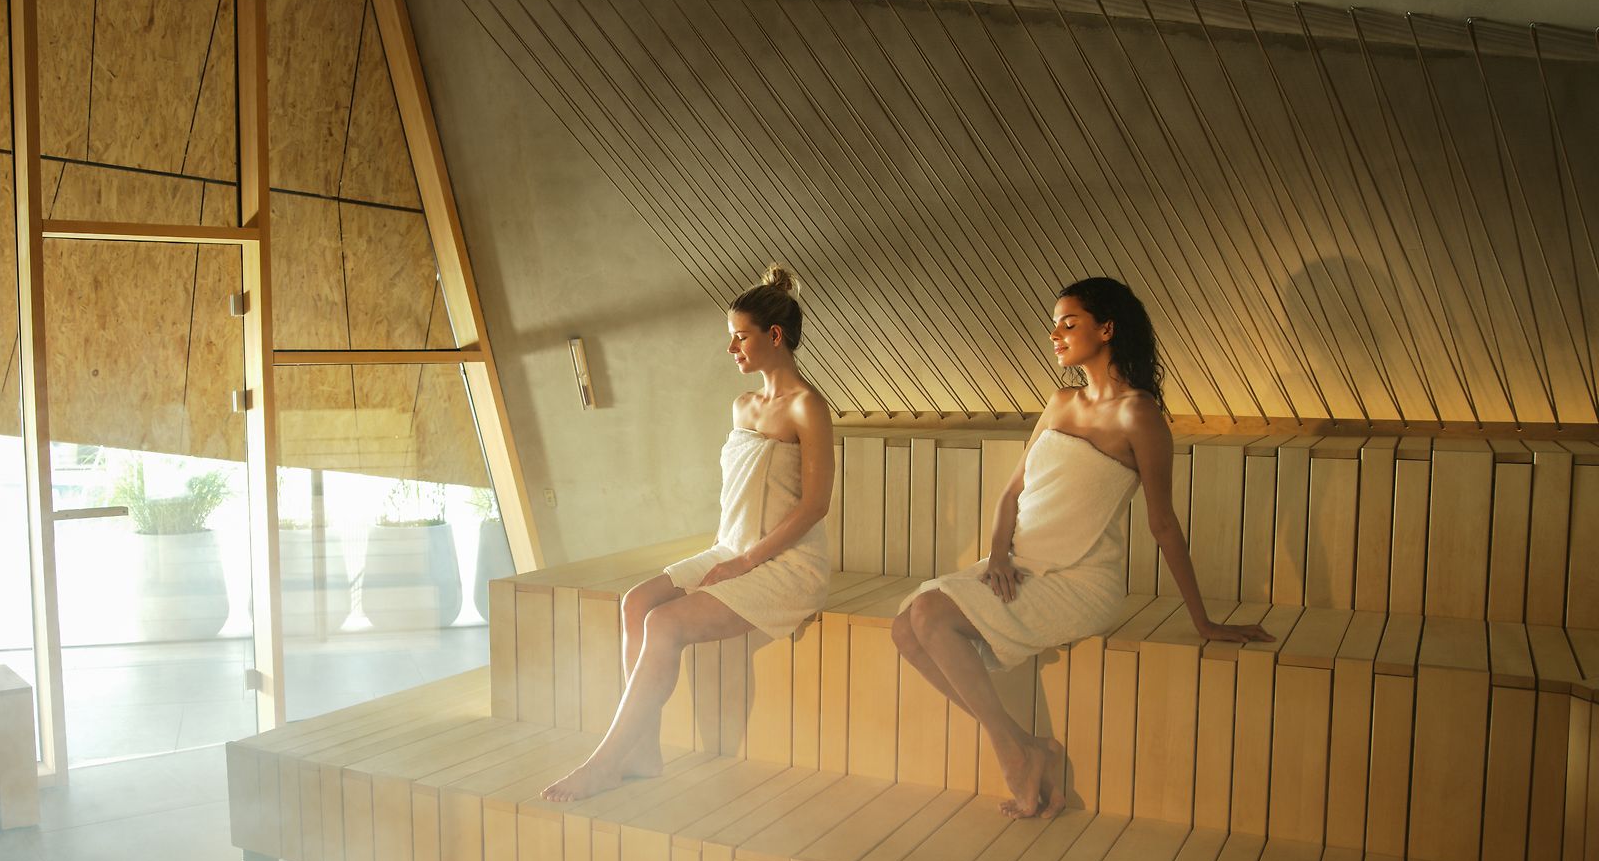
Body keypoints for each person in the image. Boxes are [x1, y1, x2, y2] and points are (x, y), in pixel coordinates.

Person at [893, 276, 1272, 820]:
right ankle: (1027, 745)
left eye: (1069, 323)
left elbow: (1163, 525)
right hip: (1018, 565)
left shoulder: (1139, 417)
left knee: (928, 613)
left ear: (1107, 328)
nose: (1056, 334)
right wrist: (998, 556)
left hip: (1078, 582)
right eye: (1055, 324)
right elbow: (1011, 491)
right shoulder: (1061, 402)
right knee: (905, 628)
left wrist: (1205, 622)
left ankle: (1014, 755)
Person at [540, 265, 833, 802]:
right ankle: (644, 752)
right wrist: (731, 557)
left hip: (786, 564)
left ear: (773, 336)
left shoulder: (807, 407)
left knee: (666, 623)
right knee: (636, 603)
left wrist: (744, 565)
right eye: (730, 337)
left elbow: (815, 505)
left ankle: (604, 763)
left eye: (740, 336)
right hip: (731, 547)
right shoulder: (743, 406)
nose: (731, 348)